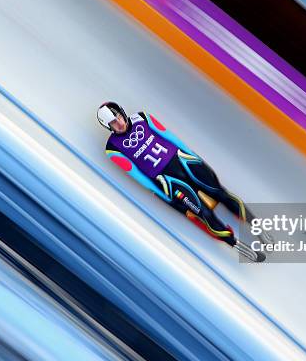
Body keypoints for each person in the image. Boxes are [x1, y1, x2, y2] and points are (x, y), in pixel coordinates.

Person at [97, 101, 272, 262]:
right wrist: (161, 194)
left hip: (185, 161)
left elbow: (170, 137)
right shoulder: (112, 149)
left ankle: (259, 229)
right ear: (109, 127)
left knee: (221, 193)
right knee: (204, 213)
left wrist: (194, 157)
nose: (119, 123)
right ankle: (238, 246)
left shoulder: (142, 117)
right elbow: (137, 175)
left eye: (119, 117)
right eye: (113, 123)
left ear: (122, 112)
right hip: (168, 181)